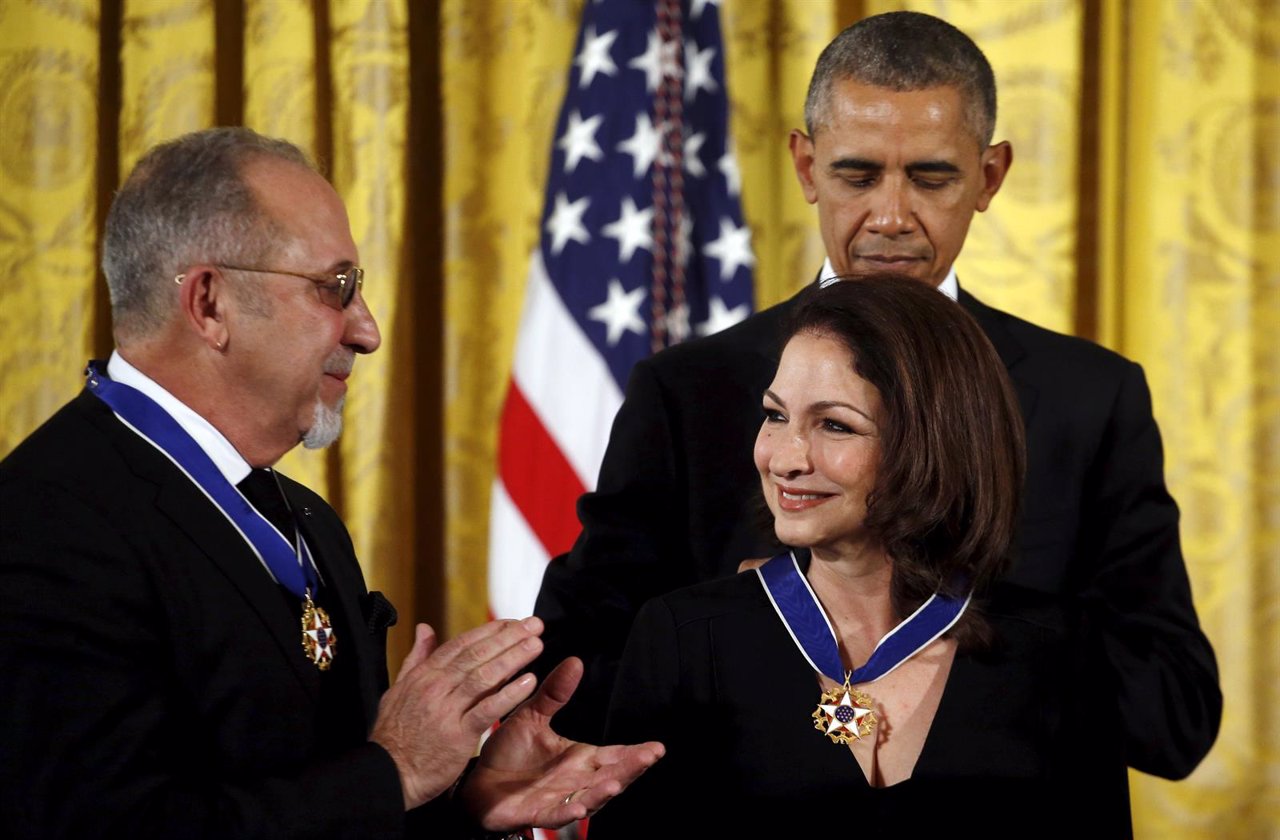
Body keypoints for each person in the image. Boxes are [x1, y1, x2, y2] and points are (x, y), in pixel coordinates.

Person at [534, 9, 1220, 783]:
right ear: (805, 167)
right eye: (858, 175)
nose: (891, 216)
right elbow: (570, 679)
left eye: (931, 176)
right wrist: (744, 625)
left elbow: (1176, 719)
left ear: (989, 177)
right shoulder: (688, 392)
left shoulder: (1089, 399)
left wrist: (948, 615)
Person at [0, 127, 661, 840]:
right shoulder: (43, 523)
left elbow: (332, 796)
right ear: (210, 304)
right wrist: (396, 772)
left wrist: (458, 805)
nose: (367, 331)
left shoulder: (307, 519)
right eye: (334, 288)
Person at [591, 276, 1131, 836]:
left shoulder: (1057, 648)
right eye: (776, 415)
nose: (785, 459)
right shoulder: (682, 636)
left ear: (931, 443)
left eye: (834, 425)